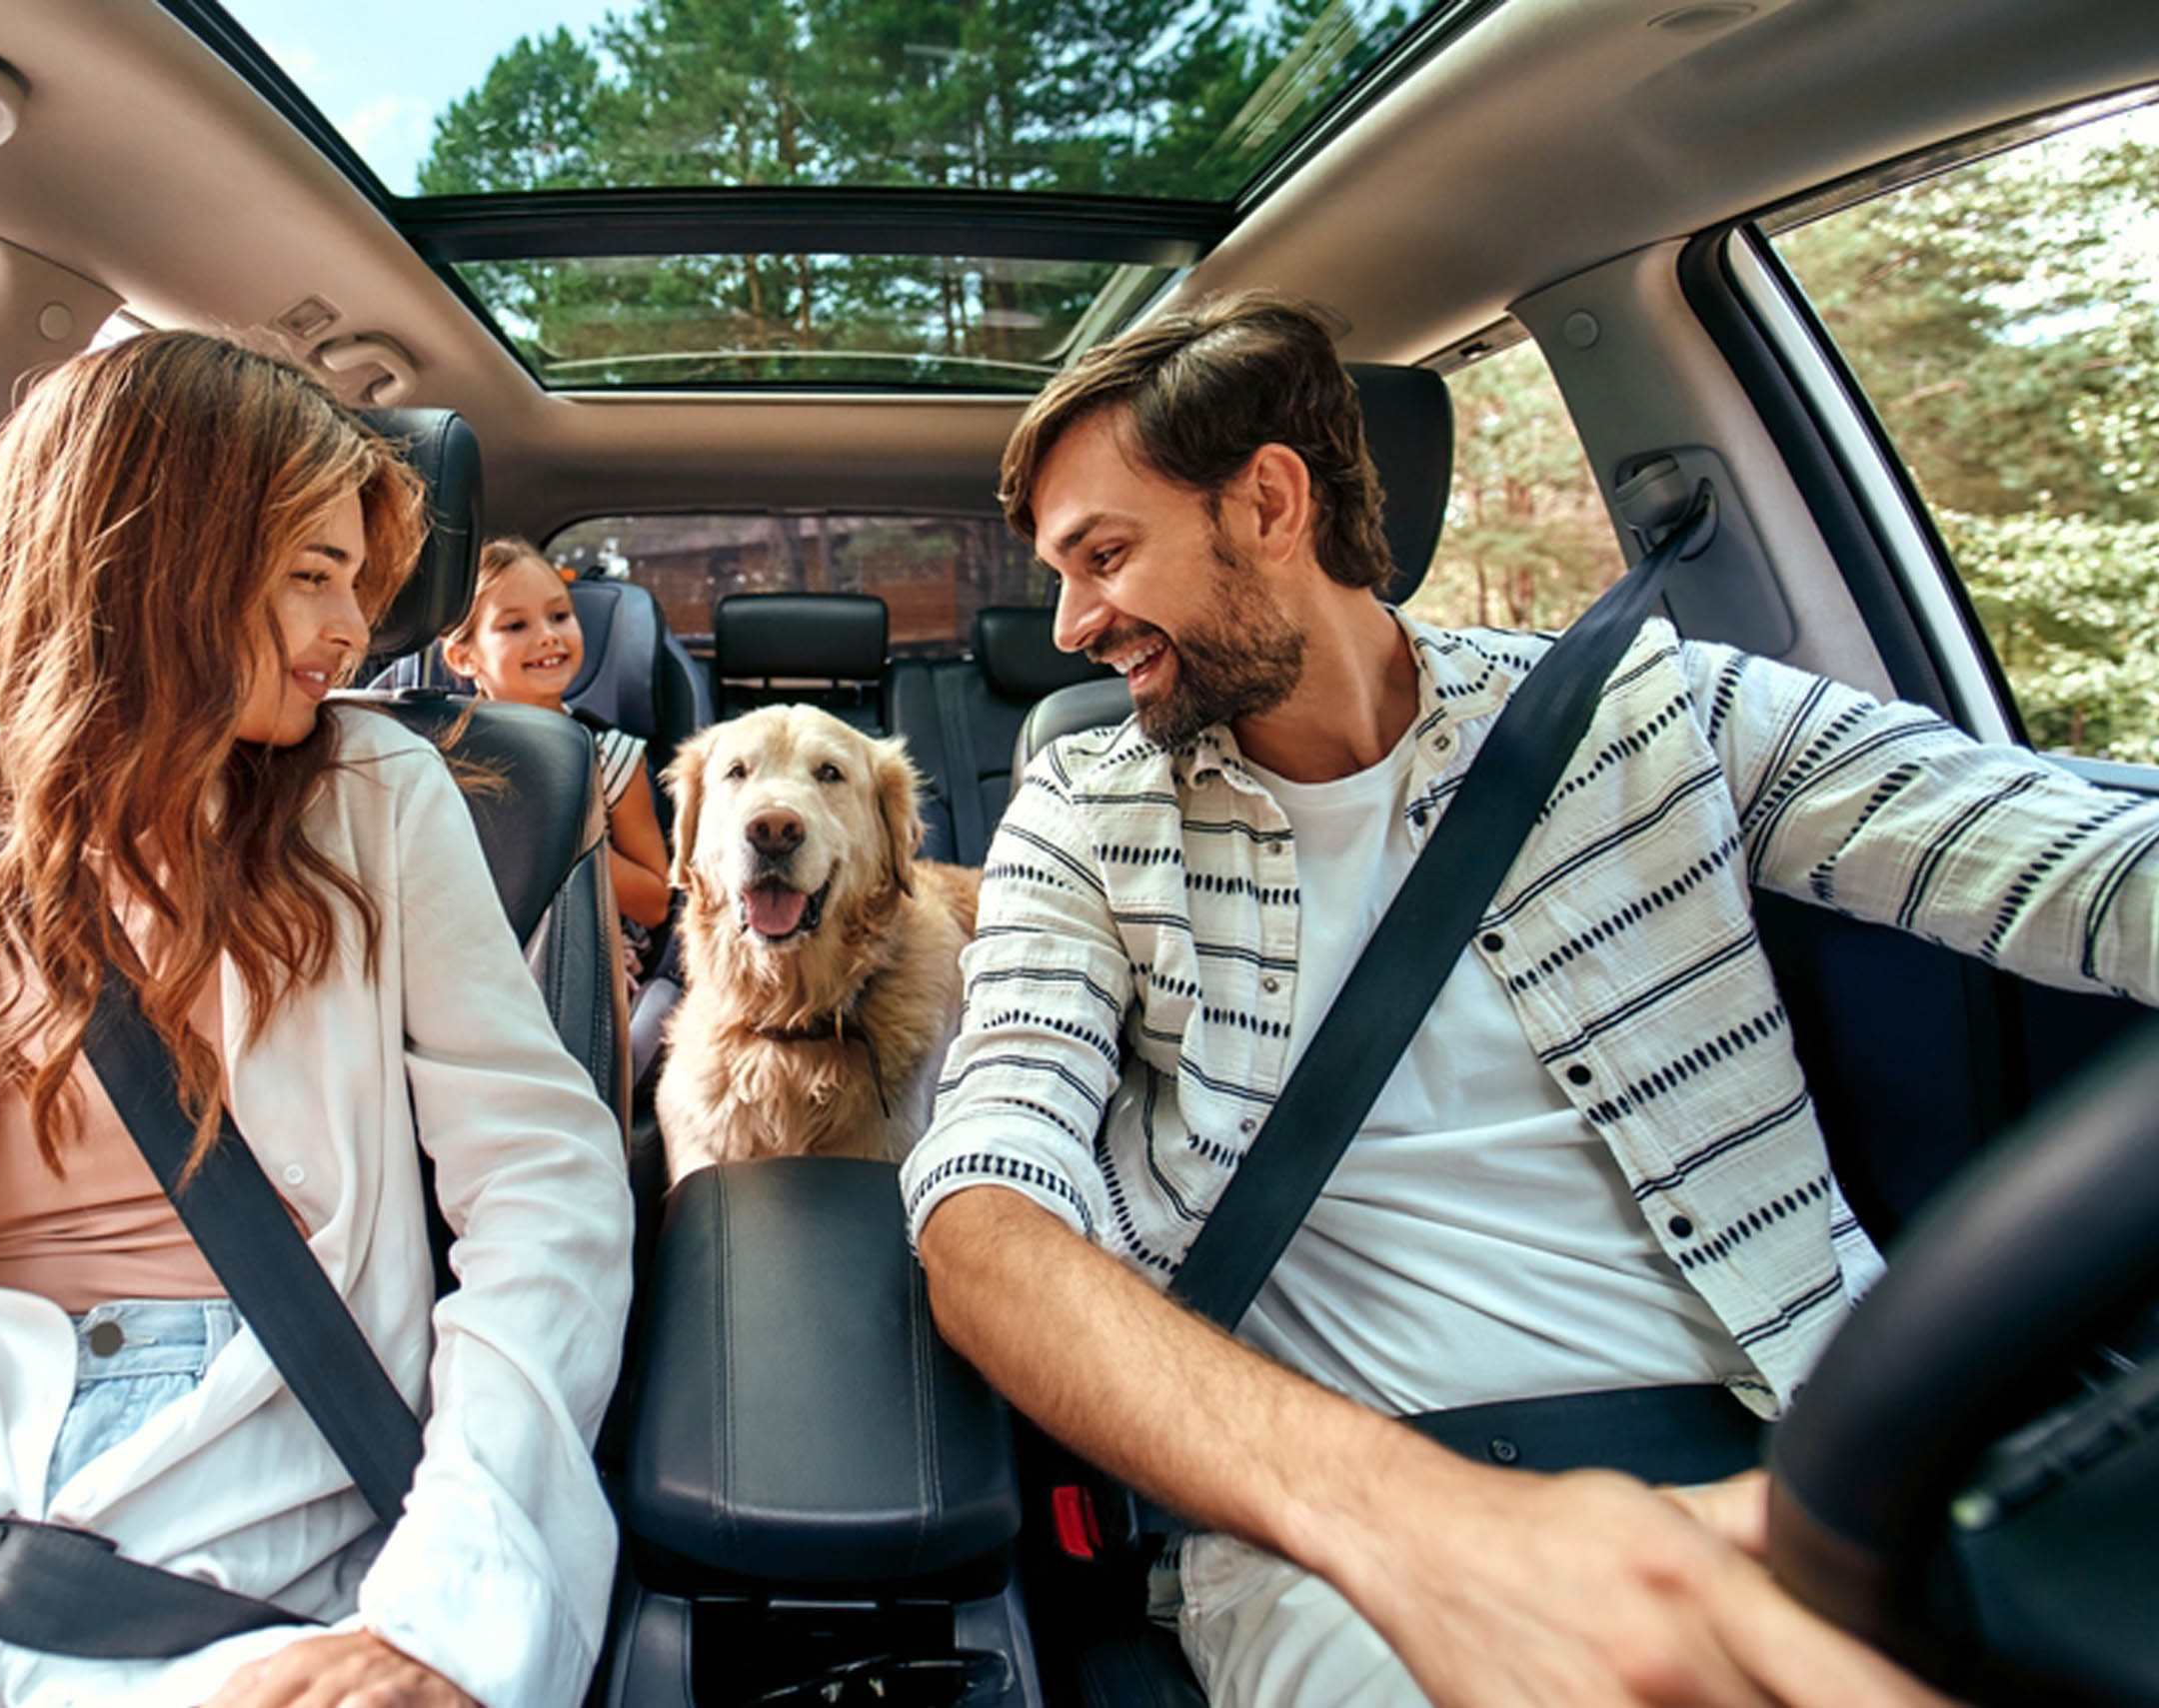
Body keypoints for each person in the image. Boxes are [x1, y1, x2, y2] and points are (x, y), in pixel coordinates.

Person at [900, 294, 2159, 1708]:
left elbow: (2080, 864)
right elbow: (987, 1208)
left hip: (1808, 1462)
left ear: (1267, 504)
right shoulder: (1082, 811)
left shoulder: (1656, 709)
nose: (1071, 623)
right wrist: (1431, 1530)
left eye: (1104, 555)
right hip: (1353, 1527)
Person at [0, 332, 635, 1708]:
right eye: (312, 575)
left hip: (268, 1561)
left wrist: (443, 1616)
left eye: (359, 583)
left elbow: (544, 1188)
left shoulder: (378, 801)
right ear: (149, 557)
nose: (352, 632)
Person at [426, 540, 673, 982]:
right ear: (463, 657)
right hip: (466, 954)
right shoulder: (438, 756)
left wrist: (561, 840)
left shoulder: (611, 757)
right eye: (515, 625)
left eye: (560, 616)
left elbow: (654, 904)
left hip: (582, 961)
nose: (547, 636)